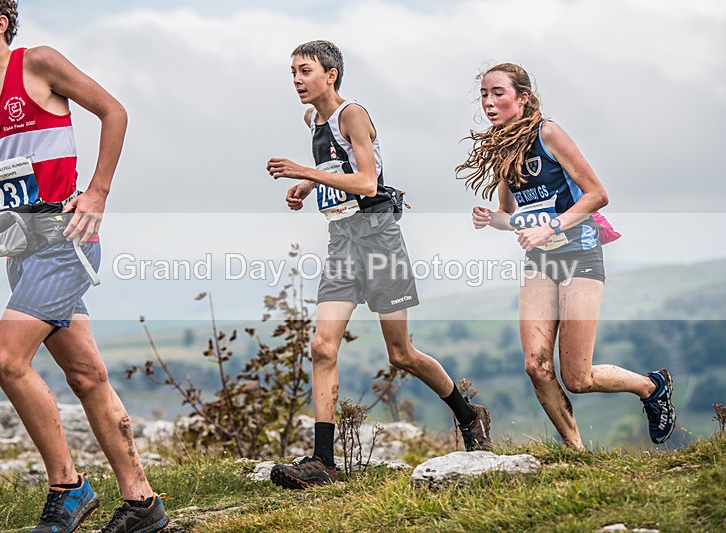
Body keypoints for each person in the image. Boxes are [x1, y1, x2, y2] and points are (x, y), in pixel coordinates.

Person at [0, 1, 168, 531]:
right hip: (19, 250)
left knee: (6, 360)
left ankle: (69, 486)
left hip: (65, 241)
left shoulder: (39, 64)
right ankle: (143, 506)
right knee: (87, 376)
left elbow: (114, 111)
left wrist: (97, 191)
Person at [266, 40, 491, 489]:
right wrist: (310, 190)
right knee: (322, 347)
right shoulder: (313, 119)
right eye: (292, 71)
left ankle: (468, 416)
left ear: (331, 74)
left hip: (379, 238)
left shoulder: (353, 114)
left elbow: (368, 182)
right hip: (342, 241)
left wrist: (305, 174)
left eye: (305, 71)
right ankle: (324, 462)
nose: (296, 79)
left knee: (401, 353)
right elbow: (339, 167)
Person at [456, 62, 676, 449]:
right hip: (541, 261)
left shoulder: (548, 133)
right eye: (484, 95)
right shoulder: (503, 149)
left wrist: (553, 226)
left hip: (580, 255)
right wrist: (492, 219)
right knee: (536, 366)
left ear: (522, 98)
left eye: (498, 93)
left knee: (578, 377)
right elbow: (513, 218)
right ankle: (577, 452)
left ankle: (650, 386)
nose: (489, 103)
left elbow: (597, 195)